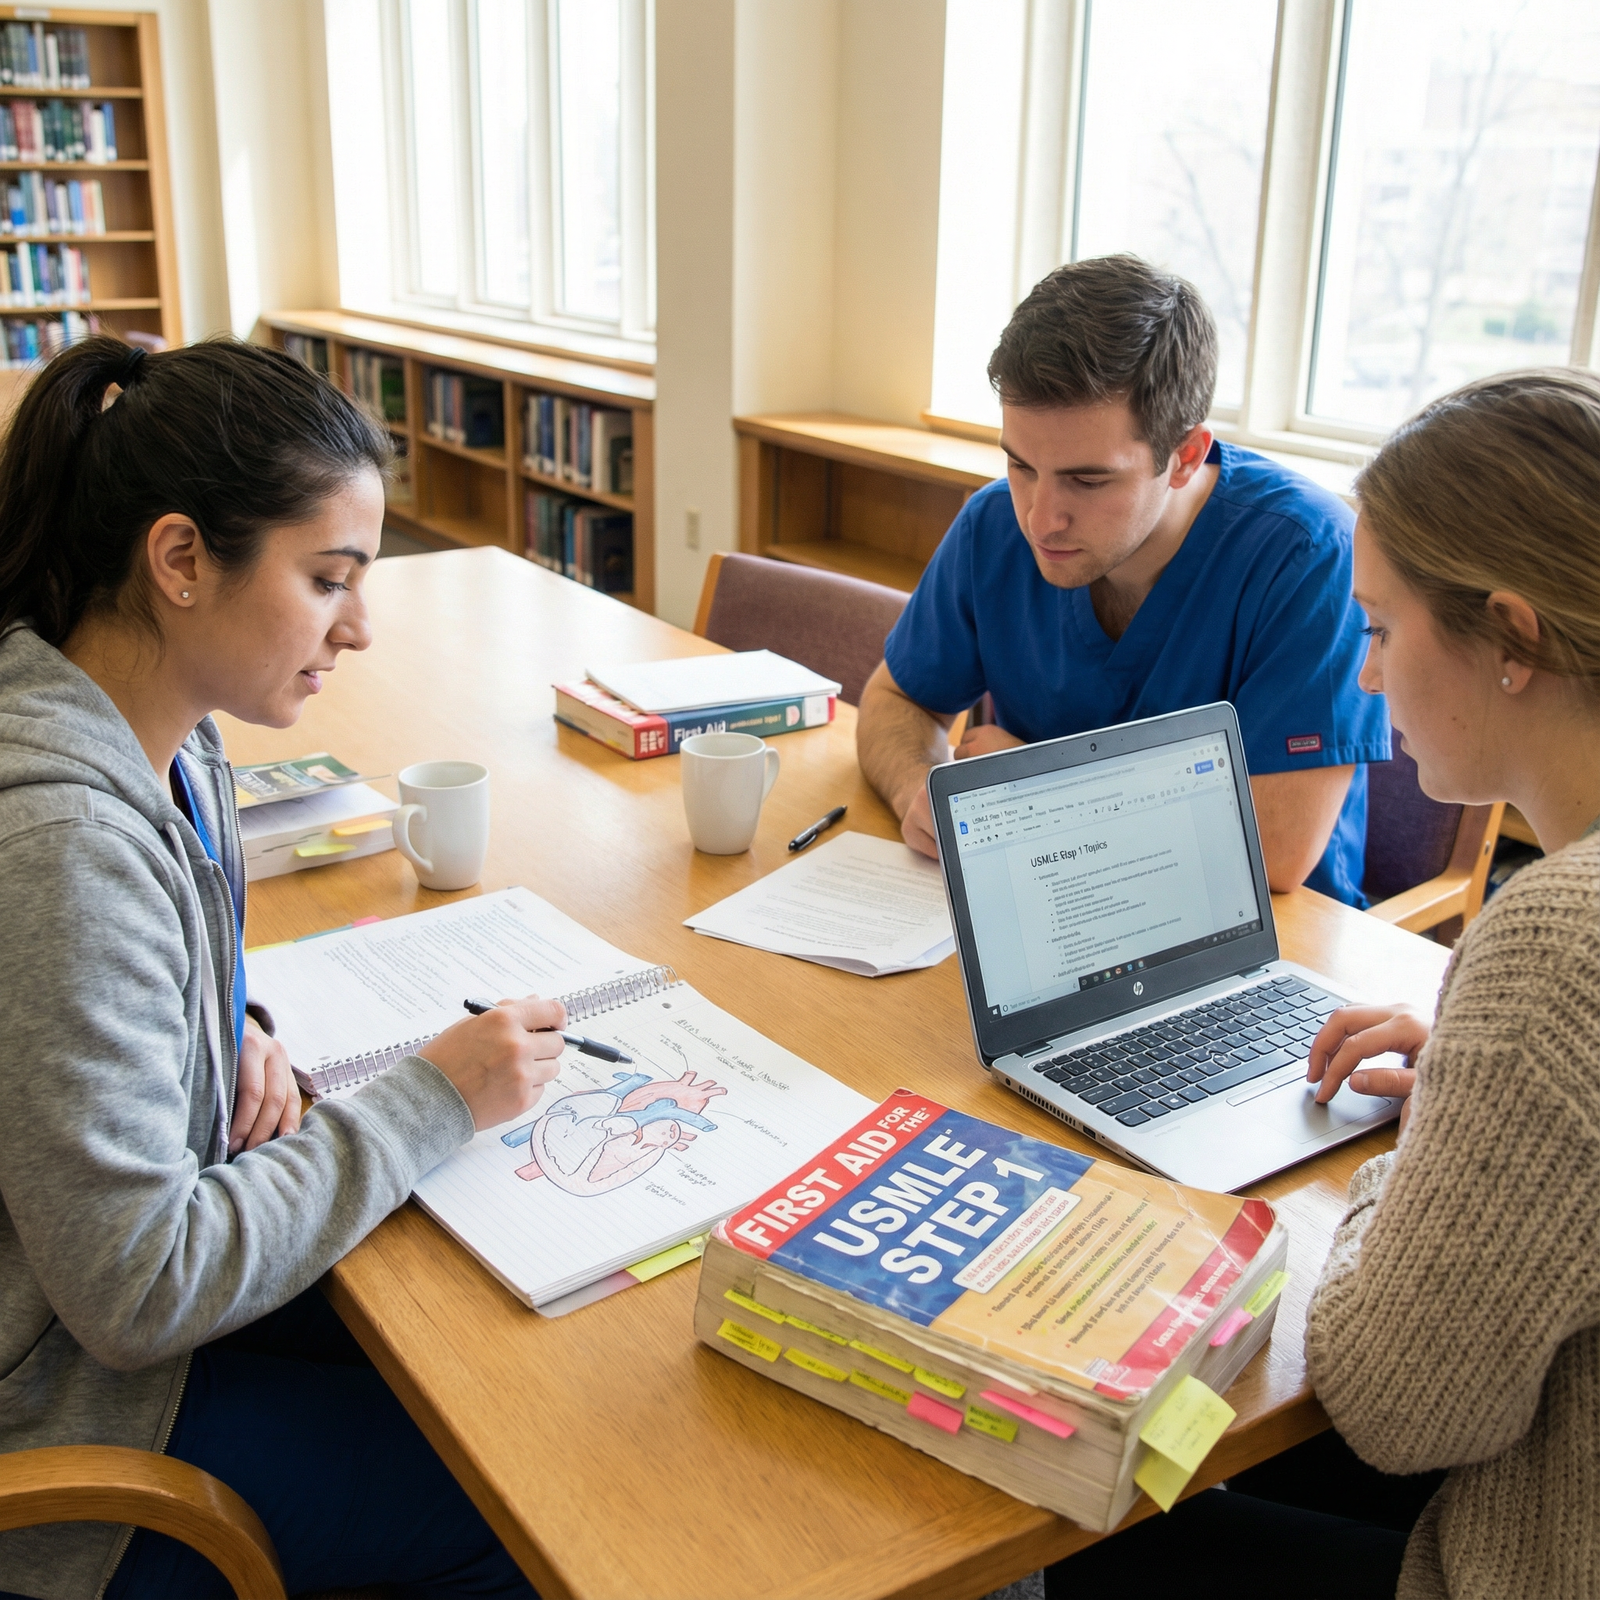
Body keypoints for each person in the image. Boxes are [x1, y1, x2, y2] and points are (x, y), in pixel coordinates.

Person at [0, 336, 566, 1600]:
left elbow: (135, 959)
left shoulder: (165, 727)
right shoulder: (61, 839)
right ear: (182, 558)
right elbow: (139, 1289)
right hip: (69, 1413)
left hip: (90, 1313)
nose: (359, 626)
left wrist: (230, 1018)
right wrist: (433, 1098)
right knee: (530, 1510)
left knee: (480, 1344)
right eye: (328, 580)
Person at [1044, 366, 1600, 1598]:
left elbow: (1391, 1405)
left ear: (1510, 638)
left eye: (1383, 628)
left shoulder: (1560, 944)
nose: (1362, 677)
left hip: (1527, 1549)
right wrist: (1483, 1100)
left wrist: (1443, 1121)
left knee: (1103, 1522)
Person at [857, 254, 1390, 904]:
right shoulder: (994, 524)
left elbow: (1274, 848)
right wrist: (919, 786)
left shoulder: (1310, 557)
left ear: (1186, 456)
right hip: (1049, 904)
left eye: (1088, 479)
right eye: (1021, 464)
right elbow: (896, 702)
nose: (1040, 517)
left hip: (1254, 936)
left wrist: (1032, 789)